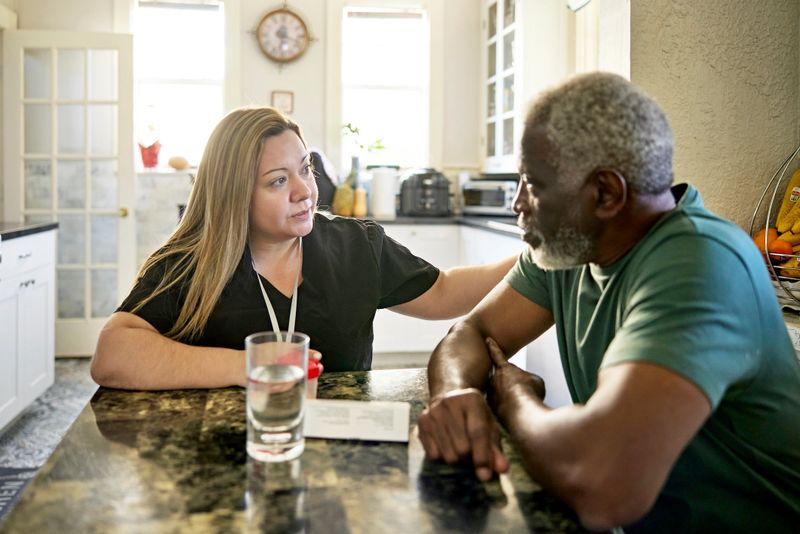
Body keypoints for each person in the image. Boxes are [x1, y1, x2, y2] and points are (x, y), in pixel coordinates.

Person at [417, 72, 800, 532]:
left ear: (606, 193)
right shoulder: (568, 250)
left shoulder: (700, 265)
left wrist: (514, 400)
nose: (517, 203)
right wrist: (455, 393)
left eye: (533, 185)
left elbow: (603, 486)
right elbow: (472, 334)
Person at [91, 106, 515, 390]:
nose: (304, 192)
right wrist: (248, 367)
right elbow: (113, 355)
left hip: (341, 451)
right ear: (233, 193)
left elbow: (443, 291)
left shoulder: (356, 245)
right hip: (235, 451)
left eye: (305, 169)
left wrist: (532, 259)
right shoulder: (191, 264)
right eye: (278, 180)